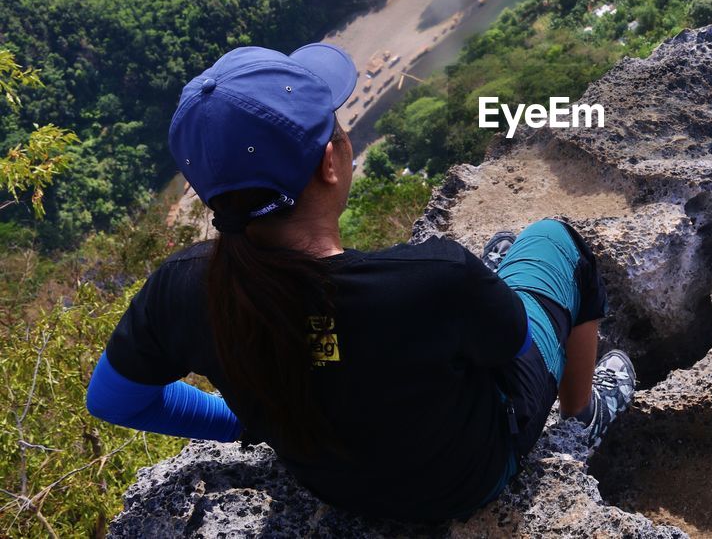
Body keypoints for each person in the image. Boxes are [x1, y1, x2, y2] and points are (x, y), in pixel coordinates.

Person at [84, 43, 636, 523]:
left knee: (475, 304)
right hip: (473, 477)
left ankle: (499, 292)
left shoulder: (179, 291)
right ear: (331, 161)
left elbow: (114, 400)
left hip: (334, 487)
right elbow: (513, 349)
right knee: (555, 240)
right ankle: (580, 419)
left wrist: (252, 421)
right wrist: (479, 298)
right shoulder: (431, 279)